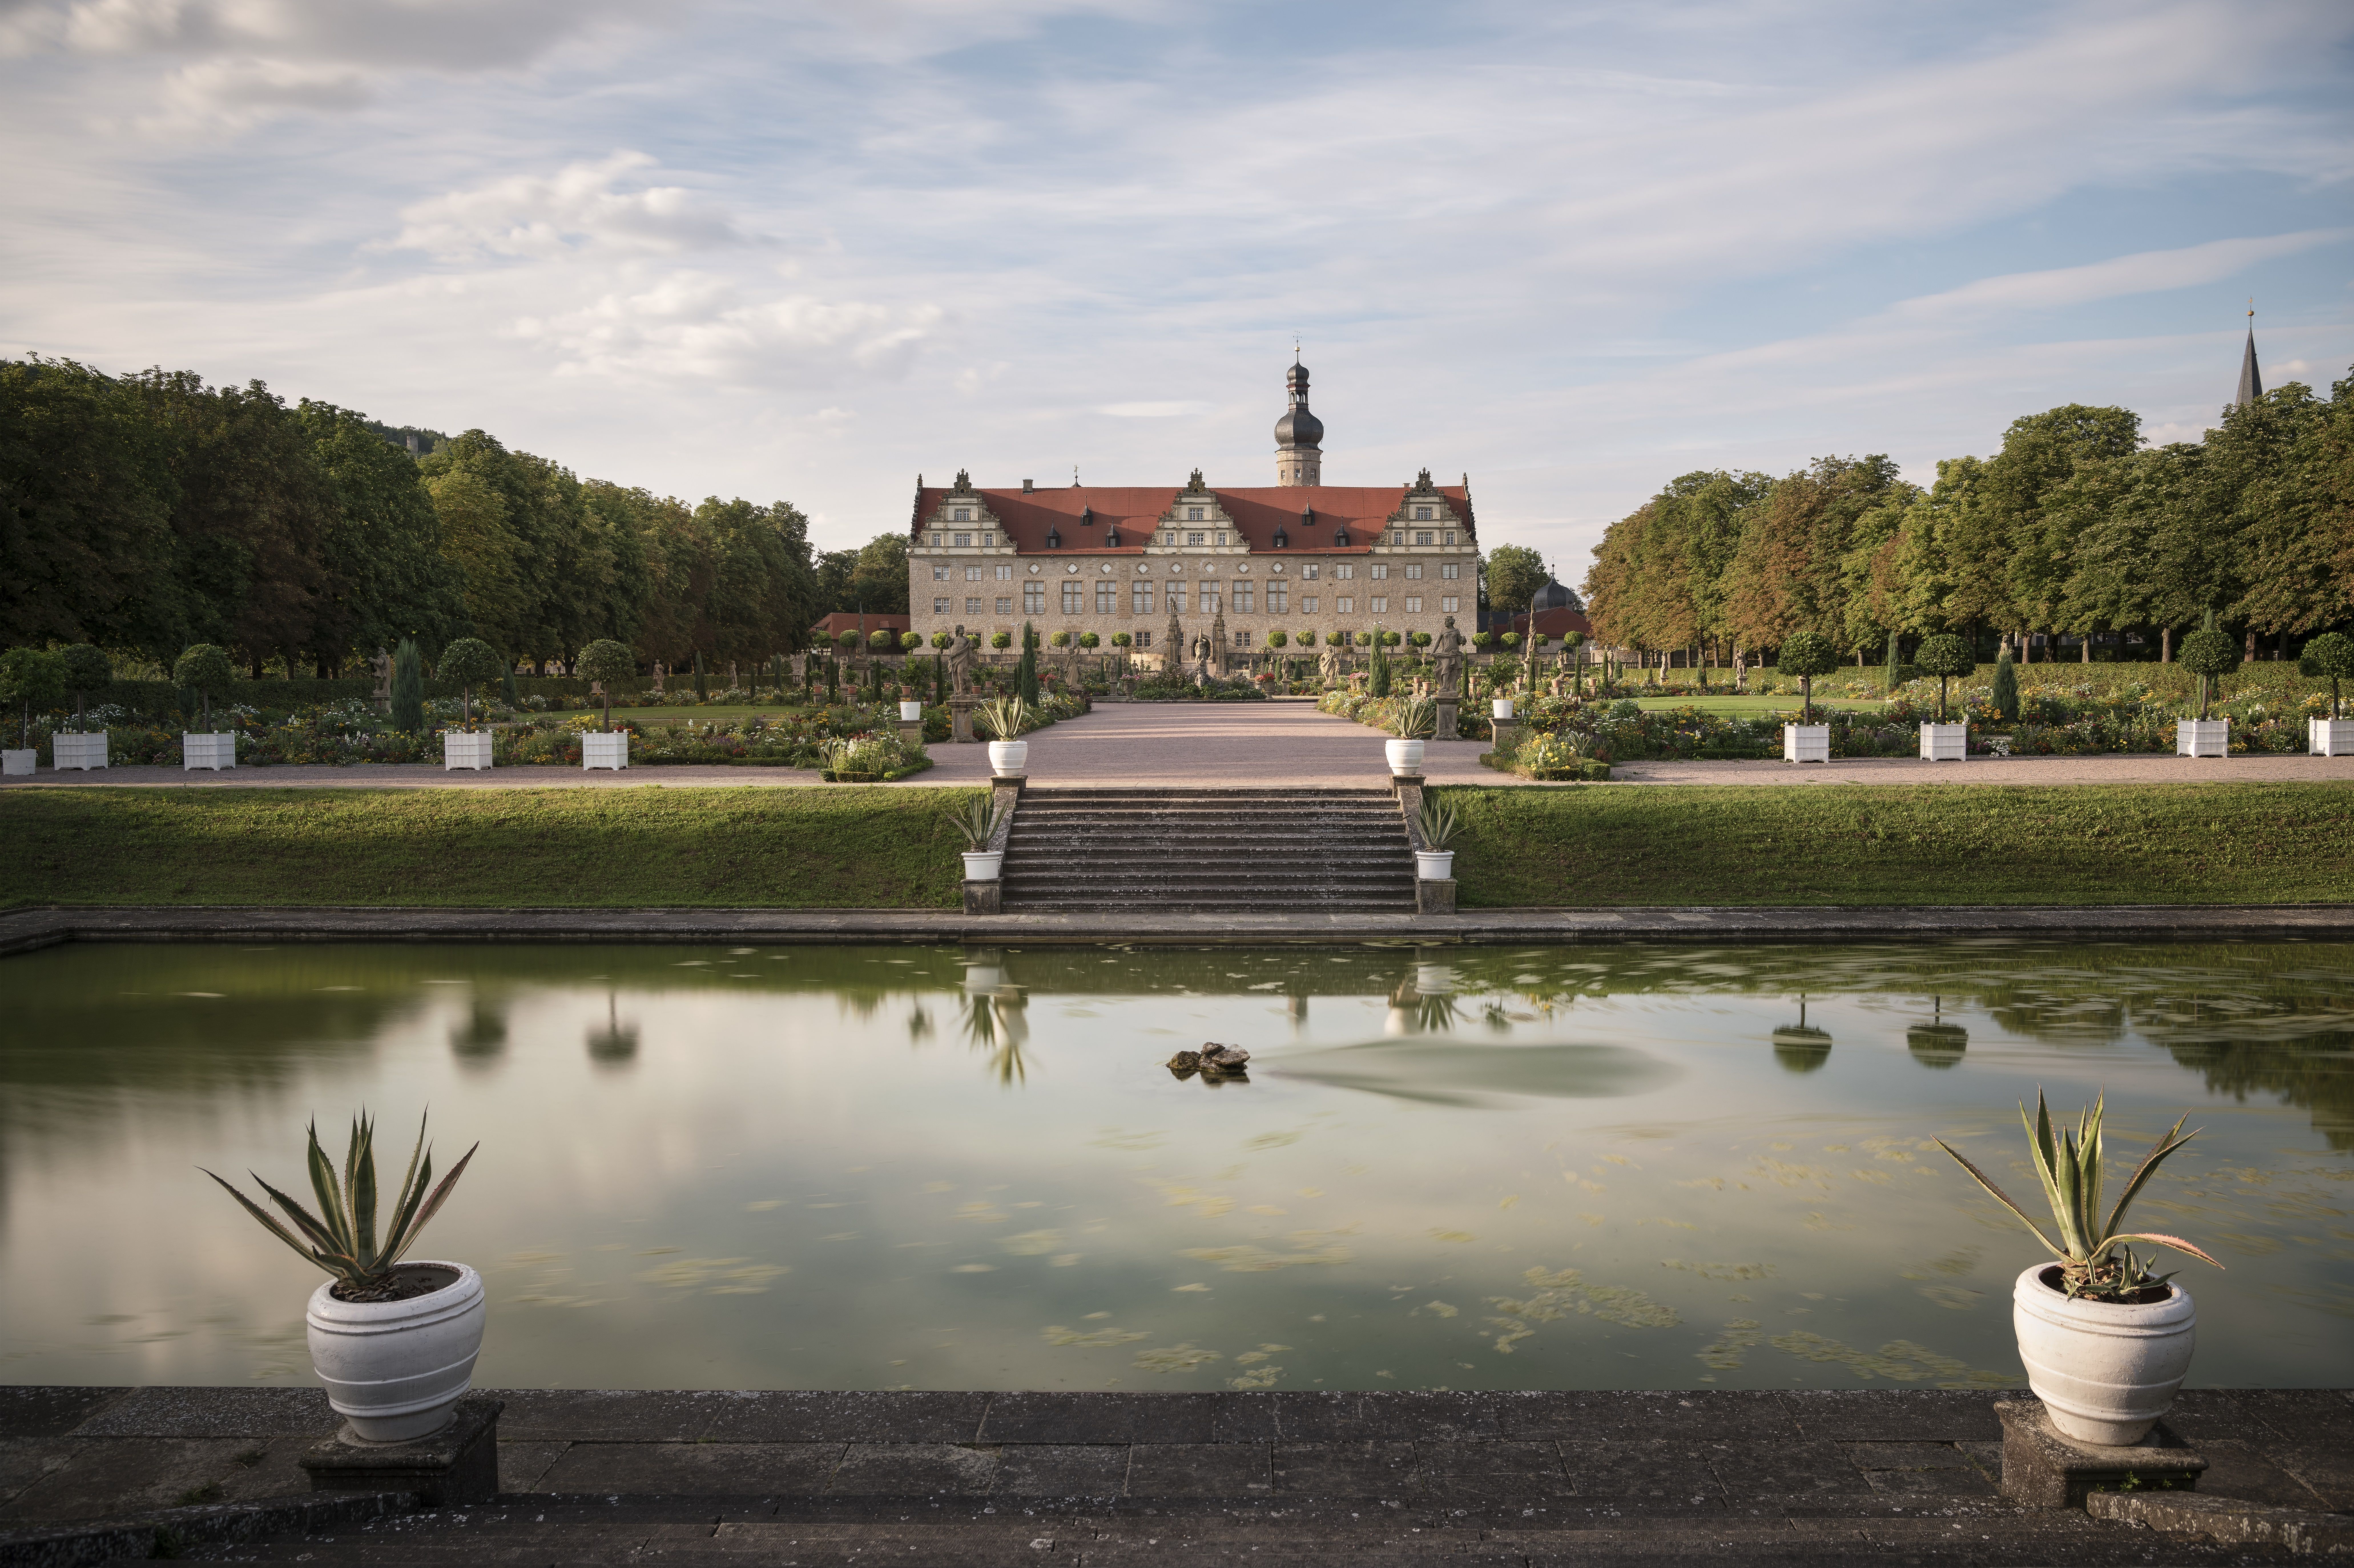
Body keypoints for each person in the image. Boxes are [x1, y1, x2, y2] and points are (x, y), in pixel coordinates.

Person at [1431, 616, 1465, 698]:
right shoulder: (1443, 632)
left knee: (1454, 670)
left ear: (1450, 622)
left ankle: (1451, 687)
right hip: (1446, 654)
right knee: (1446, 669)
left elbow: (1460, 641)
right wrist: (1433, 652)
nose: (1445, 623)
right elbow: (1438, 642)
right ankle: (1444, 686)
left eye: (1446, 621)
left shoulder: (1456, 631)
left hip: (1455, 653)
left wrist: (1464, 640)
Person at [947, 625, 977, 695]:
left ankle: (962, 690)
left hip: (963, 658)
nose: (963, 630)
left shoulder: (966, 639)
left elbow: (974, 647)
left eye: (963, 629)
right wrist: (947, 641)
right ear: (958, 630)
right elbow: (948, 646)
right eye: (961, 629)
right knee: (955, 675)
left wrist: (973, 645)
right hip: (954, 658)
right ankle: (957, 691)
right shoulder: (954, 639)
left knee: (960, 672)